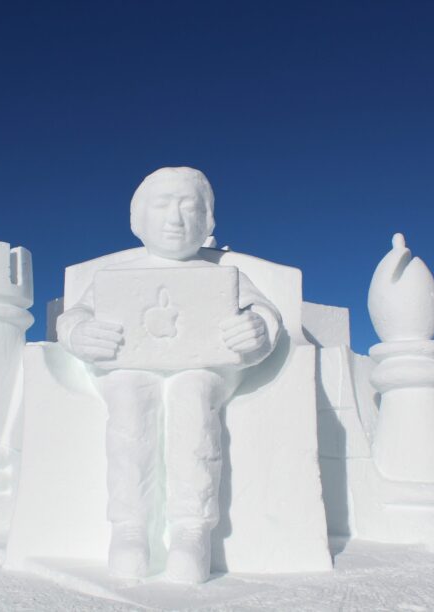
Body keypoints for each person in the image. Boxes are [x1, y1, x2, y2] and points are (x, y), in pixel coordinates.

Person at [57, 167, 281, 583]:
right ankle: (130, 526)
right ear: (137, 220)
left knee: (192, 395)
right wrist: (79, 333)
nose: (175, 219)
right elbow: (75, 316)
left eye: (188, 206)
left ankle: (190, 528)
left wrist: (258, 329)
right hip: (129, 368)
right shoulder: (118, 274)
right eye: (162, 205)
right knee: (130, 397)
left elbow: (264, 313)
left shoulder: (223, 275)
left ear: (208, 220)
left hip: (203, 368)